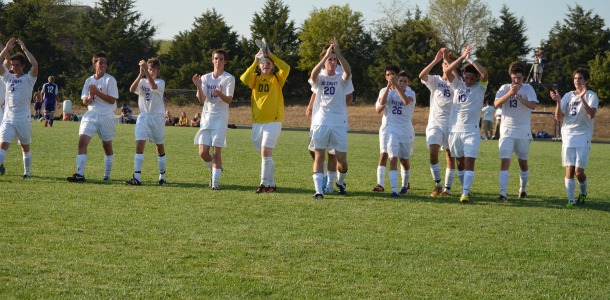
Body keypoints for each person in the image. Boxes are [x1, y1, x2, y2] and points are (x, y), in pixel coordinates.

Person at [240, 44, 290, 193]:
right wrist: (255, 61)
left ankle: (263, 183)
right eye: (263, 64)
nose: (266, 66)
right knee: (266, 154)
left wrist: (271, 55)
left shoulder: (277, 79)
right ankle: (272, 184)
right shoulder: (254, 79)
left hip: (273, 121)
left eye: (269, 64)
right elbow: (243, 78)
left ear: (272, 66)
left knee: (265, 152)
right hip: (258, 122)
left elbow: (286, 67)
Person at [444, 45, 488, 203]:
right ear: (463, 76)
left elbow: (484, 73)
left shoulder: (480, 88)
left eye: (472, 78)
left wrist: (470, 58)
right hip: (455, 130)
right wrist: (462, 57)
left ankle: (465, 193)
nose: (469, 81)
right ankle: (465, 189)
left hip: (471, 131)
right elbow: (447, 72)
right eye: (467, 78)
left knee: (469, 161)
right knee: (460, 163)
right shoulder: (458, 85)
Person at [309, 38, 352, 199]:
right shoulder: (320, 78)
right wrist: (325, 55)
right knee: (319, 155)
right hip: (321, 122)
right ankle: (318, 190)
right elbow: (313, 76)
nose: (332, 62)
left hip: (339, 123)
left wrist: (338, 53)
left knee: (341, 159)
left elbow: (348, 71)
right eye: (330, 59)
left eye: (334, 60)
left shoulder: (341, 79)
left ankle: (340, 182)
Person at [67, 51, 119, 182]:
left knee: (107, 145)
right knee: (82, 142)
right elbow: (84, 101)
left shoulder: (110, 79)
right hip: (91, 114)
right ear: (94, 64)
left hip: (106, 115)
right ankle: (80, 173)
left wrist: (97, 92)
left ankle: (107, 175)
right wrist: (90, 97)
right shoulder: (88, 80)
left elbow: (112, 100)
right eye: (100, 62)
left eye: (105, 62)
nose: (103, 65)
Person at [550, 68, 598, 207]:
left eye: (581, 78)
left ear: (586, 80)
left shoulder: (591, 95)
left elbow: (591, 114)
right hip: (568, 136)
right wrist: (558, 102)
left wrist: (582, 97)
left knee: (579, 171)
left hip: (583, 136)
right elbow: (559, 117)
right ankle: (570, 199)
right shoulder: (567, 95)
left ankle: (583, 193)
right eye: (576, 78)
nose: (577, 81)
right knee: (569, 169)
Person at [494, 61, 539, 201]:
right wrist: (510, 93)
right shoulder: (504, 88)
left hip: (523, 131)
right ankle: (503, 194)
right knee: (505, 161)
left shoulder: (528, 89)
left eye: (519, 78)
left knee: (523, 162)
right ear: (510, 76)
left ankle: (523, 189)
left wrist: (519, 97)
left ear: (523, 77)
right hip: (507, 130)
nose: (516, 80)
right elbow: (496, 104)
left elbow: (533, 106)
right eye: (514, 77)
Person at [192, 49, 235, 190]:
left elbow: (228, 100)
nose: (218, 61)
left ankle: (215, 184)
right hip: (206, 117)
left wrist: (220, 94)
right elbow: (202, 99)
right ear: (212, 60)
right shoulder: (205, 78)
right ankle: (216, 169)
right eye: (216, 59)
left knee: (217, 152)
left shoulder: (229, 78)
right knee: (203, 152)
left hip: (220, 118)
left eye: (221, 59)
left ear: (225, 61)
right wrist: (199, 86)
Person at [419, 48, 459, 197]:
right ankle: (438, 184)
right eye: (444, 64)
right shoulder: (436, 80)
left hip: (451, 124)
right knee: (433, 152)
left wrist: (448, 60)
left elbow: (454, 75)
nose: (446, 66)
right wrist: (436, 60)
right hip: (435, 123)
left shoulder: (456, 82)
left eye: (448, 63)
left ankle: (447, 189)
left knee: (450, 156)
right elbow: (421, 75)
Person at [125, 58, 167, 186]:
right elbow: (132, 90)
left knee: (159, 146)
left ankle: (162, 175)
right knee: (139, 144)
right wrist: (140, 74)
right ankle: (137, 177)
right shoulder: (142, 80)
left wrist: (146, 74)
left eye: (153, 69)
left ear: (157, 72)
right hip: (143, 116)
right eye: (149, 69)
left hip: (157, 117)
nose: (151, 71)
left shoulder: (160, 82)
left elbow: (153, 86)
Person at [0, 38, 38, 178]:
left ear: (22, 66)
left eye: (16, 65)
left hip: (23, 119)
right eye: (12, 65)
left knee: (25, 147)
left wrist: (24, 48)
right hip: (8, 118)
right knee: (3, 144)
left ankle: (27, 173)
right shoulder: (7, 77)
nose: (13, 67)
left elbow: (35, 64)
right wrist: (7, 49)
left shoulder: (29, 78)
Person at [375, 69, 415, 197]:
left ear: (408, 82)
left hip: (406, 129)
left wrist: (396, 86)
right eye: (400, 80)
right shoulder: (390, 91)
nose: (402, 83)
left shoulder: (411, 93)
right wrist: (389, 86)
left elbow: (405, 101)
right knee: (392, 157)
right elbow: (381, 103)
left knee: (404, 160)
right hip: (391, 129)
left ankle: (405, 184)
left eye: (404, 81)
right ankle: (393, 190)